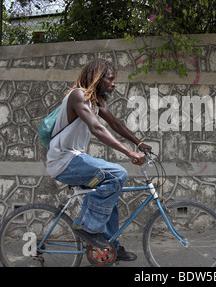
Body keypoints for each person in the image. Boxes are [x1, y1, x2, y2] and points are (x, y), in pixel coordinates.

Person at [46, 58, 151, 261]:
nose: (114, 84)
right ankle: (88, 228)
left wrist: (139, 144)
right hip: (64, 160)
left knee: (109, 195)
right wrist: (129, 153)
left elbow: (114, 123)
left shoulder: (94, 101)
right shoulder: (77, 95)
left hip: (74, 160)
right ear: (98, 78)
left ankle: (111, 247)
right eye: (110, 79)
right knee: (117, 174)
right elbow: (97, 128)